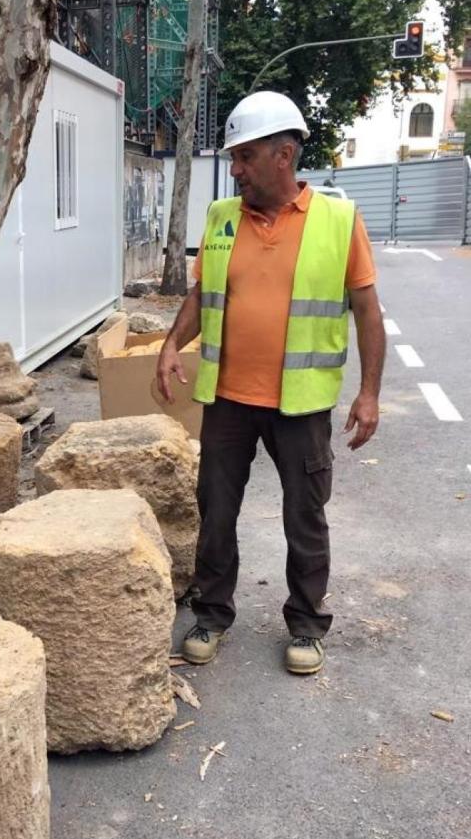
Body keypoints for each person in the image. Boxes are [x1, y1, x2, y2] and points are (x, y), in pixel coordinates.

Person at [156, 91, 385, 676]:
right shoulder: (221, 218)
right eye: (233, 158)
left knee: (304, 517)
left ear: (283, 156)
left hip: (300, 407)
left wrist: (369, 393)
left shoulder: (338, 220)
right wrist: (167, 346)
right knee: (216, 512)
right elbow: (202, 296)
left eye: (245, 157)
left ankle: (306, 626)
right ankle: (211, 614)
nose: (234, 170)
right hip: (228, 400)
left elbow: (367, 311)